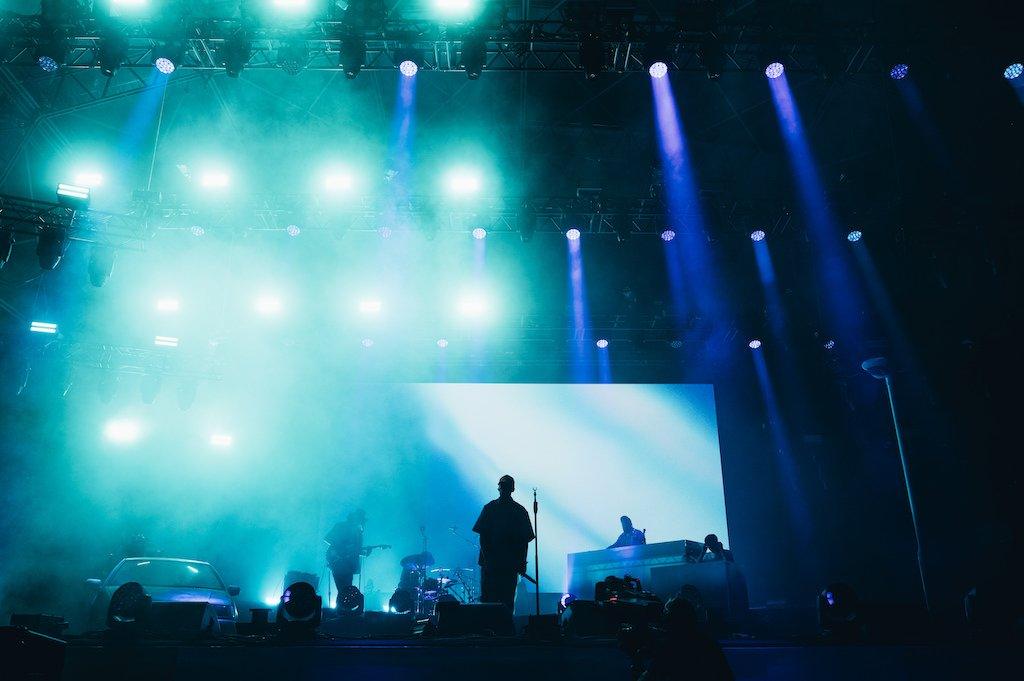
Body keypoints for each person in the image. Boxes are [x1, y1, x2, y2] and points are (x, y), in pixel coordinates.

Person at [472, 475, 535, 611]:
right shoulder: (518, 511)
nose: (504, 489)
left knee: (493, 603)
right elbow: (524, 541)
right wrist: (522, 563)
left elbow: (483, 537)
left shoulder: (491, 508)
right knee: (502, 603)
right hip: (504, 566)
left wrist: (488, 560)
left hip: (500, 566)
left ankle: (491, 630)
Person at [324, 509, 367, 592]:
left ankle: (342, 603)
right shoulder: (340, 526)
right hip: (339, 561)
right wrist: (340, 549)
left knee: (345, 589)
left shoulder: (358, 532)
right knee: (344, 589)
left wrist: (363, 553)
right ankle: (342, 603)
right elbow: (327, 538)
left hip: (347, 563)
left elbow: (355, 550)